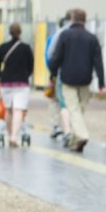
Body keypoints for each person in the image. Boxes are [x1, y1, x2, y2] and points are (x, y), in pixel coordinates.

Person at [47, 8, 105, 153]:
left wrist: (52, 76)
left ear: (72, 18)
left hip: (68, 79)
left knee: (73, 109)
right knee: (79, 110)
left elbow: (56, 58)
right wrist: (102, 84)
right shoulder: (92, 38)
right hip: (86, 80)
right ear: (85, 20)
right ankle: (74, 139)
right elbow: (98, 62)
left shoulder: (65, 35)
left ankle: (82, 136)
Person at [0, 23, 35, 147]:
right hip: (21, 83)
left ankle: (9, 134)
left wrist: (1, 76)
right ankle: (14, 137)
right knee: (18, 110)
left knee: (8, 109)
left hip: (6, 83)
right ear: (20, 32)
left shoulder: (3, 47)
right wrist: (25, 75)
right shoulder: (26, 48)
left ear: (9, 32)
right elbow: (31, 66)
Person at [45, 11, 73, 141]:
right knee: (67, 102)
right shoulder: (72, 37)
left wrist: (51, 74)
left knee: (54, 101)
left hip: (56, 73)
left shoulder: (53, 38)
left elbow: (48, 56)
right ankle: (68, 128)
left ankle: (56, 126)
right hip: (70, 74)